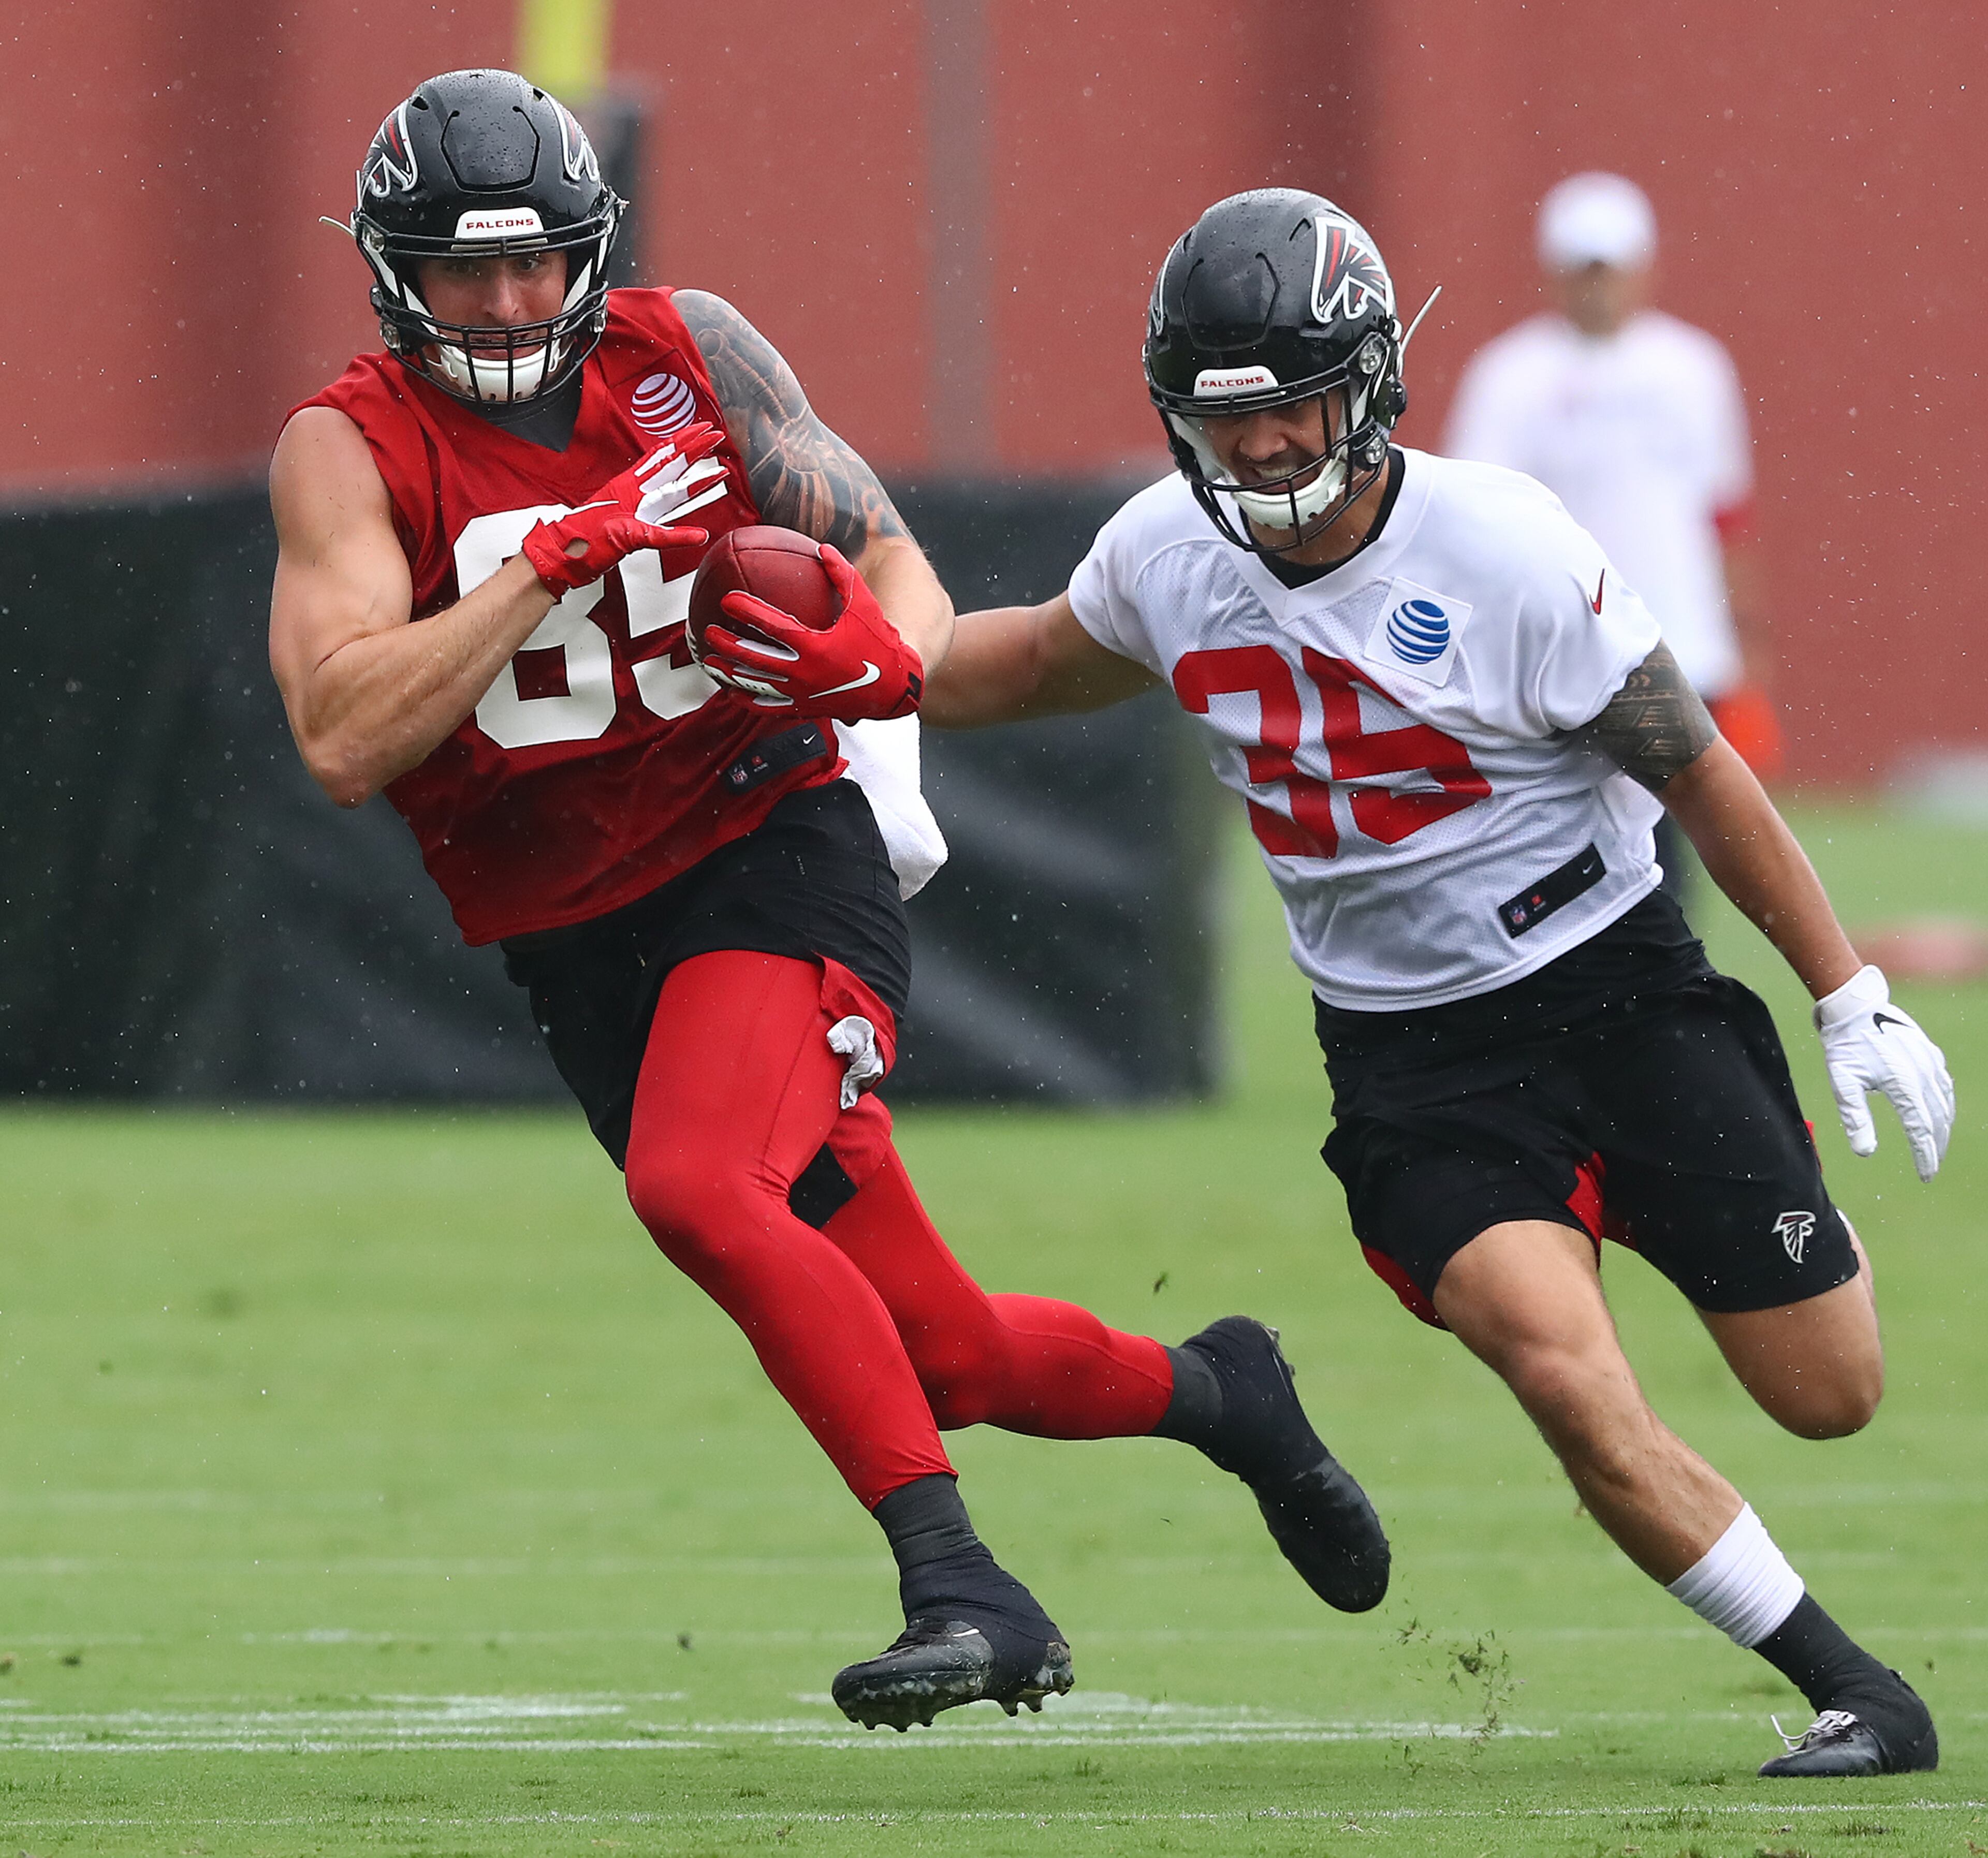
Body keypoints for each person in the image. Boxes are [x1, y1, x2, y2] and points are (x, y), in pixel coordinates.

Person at [266, 75, 1388, 1732]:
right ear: (392, 270)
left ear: (587, 251)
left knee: (700, 1186)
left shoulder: (691, 354)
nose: (505, 303)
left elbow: (896, 568)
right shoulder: (347, 446)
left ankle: (965, 1585)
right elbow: (344, 735)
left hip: (764, 837)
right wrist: (550, 562)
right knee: (947, 1352)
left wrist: (882, 660)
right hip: (580, 936)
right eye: (462, 268)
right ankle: (1228, 1391)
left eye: (533, 262)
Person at [922, 187, 1955, 1777]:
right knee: (1562, 1366)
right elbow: (1027, 661)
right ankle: (1857, 1688)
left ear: (1374, 381)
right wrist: (824, 667)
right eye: (1227, 414)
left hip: (1619, 989)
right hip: (1418, 1063)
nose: (1262, 444)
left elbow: (1698, 771)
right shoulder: (1165, 554)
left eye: (1295, 404)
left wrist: (1844, 991)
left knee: (1831, 1390)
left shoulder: (1504, 547)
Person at [1443, 171, 1781, 897]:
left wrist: (1746, 641)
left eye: (1610, 269)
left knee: (1678, 841)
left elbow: (1724, 512)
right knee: (1568, 835)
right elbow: (1474, 520)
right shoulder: (1510, 377)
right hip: (1559, 645)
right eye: (1583, 271)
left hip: (1679, 639)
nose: (1597, 289)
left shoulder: (1693, 368)